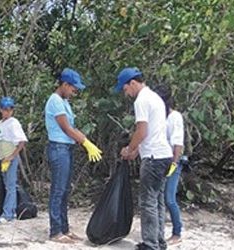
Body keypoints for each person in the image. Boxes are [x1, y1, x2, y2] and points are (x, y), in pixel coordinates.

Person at [115, 67, 173, 250]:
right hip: (164, 155)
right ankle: (159, 240)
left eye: (125, 89)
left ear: (132, 83)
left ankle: (150, 244)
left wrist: (129, 149)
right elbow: (153, 132)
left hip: (154, 158)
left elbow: (142, 132)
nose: (126, 94)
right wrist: (137, 151)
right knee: (158, 200)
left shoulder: (141, 100)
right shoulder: (155, 98)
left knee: (147, 201)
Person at [45, 68, 103, 244]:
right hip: (58, 148)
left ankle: (65, 228)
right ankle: (56, 231)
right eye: (73, 89)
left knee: (65, 191)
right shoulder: (55, 101)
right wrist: (85, 143)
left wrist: (87, 141)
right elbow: (66, 128)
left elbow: (73, 127)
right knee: (58, 190)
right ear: (64, 84)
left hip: (67, 148)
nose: (74, 92)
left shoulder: (65, 102)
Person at [0, 96, 28, 224]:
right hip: (2, 158)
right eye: (5, 109)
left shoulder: (14, 123)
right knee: (6, 185)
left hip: (9, 158)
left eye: (10, 109)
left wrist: (12, 156)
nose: (7, 112)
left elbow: (21, 141)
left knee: (10, 186)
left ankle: (8, 214)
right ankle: (10, 210)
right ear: (0, 109)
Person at [155, 85, 185, 245]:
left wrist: (174, 162)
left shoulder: (175, 117)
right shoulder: (159, 116)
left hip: (172, 161)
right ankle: (159, 230)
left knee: (169, 198)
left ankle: (177, 232)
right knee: (158, 197)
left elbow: (178, 143)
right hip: (160, 159)